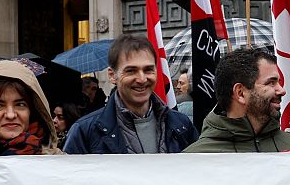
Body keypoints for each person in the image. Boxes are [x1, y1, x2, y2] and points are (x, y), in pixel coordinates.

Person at [63, 35, 197, 154]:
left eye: (148, 70)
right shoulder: (84, 131)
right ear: (112, 75)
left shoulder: (182, 125)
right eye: (131, 71)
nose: (142, 79)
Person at [185, 47, 290, 153]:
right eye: (271, 82)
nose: (282, 90)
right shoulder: (196, 159)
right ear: (240, 93)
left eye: (278, 82)